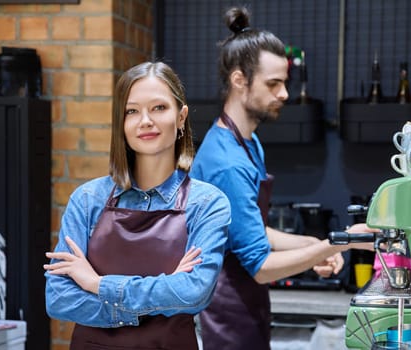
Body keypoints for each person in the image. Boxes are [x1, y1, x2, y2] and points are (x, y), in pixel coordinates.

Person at [190, 7, 378, 350]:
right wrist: (342, 241)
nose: (285, 95)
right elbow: (260, 266)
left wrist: (309, 244)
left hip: (249, 306)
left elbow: (251, 232)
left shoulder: (247, 143)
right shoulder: (227, 162)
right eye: (273, 84)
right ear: (238, 80)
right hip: (227, 313)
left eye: (284, 83)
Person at [44, 61, 231, 350]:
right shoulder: (87, 200)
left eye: (159, 108)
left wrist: (97, 284)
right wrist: (164, 293)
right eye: (132, 111)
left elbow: (194, 293)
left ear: (181, 117)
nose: (145, 121)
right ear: (121, 122)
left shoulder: (207, 203)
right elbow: (59, 300)